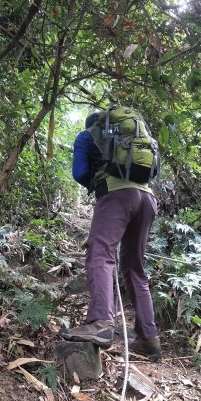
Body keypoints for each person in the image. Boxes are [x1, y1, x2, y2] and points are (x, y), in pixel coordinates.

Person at [60, 109, 162, 360]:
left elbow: (79, 172)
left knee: (101, 256)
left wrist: (99, 183)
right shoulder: (135, 136)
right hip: (147, 199)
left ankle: (100, 323)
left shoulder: (87, 135)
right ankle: (149, 338)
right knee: (134, 268)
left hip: (117, 197)